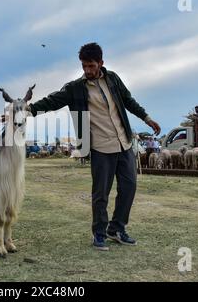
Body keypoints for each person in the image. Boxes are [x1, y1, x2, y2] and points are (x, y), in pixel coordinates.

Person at [28, 42, 160, 250]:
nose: (87, 70)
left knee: (129, 187)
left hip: (124, 143)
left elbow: (128, 100)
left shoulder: (113, 79)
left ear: (101, 63)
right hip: (100, 147)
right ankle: (99, 234)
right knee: (101, 193)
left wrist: (147, 118)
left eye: (91, 66)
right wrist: (28, 110)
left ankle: (116, 229)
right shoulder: (75, 88)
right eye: (84, 66)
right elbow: (52, 101)